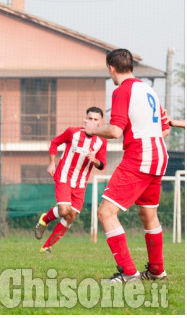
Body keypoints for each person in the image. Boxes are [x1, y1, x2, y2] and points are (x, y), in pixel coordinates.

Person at [85, 49, 170, 282]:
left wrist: (93, 130)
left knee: (105, 212)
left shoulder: (122, 90)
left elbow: (114, 130)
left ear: (111, 68)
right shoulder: (148, 89)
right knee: (147, 213)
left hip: (140, 156)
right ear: (130, 66)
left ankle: (129, 272)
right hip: (159, 154)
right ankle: (156, 270)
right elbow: (165, 127)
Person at [34, 107, 108, 252]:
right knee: (63, 210)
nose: (92, 122)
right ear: (85, 119)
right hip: (64, 176)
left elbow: (102, 165)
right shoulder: (72, 132)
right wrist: (51, 163)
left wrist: (95, 161)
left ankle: (46, 247)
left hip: (80, 183)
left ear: (100, 122)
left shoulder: (102, 141)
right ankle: (45, 219)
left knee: (71, 216)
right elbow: (54, 143)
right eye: (90, 118)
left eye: (96, 119)